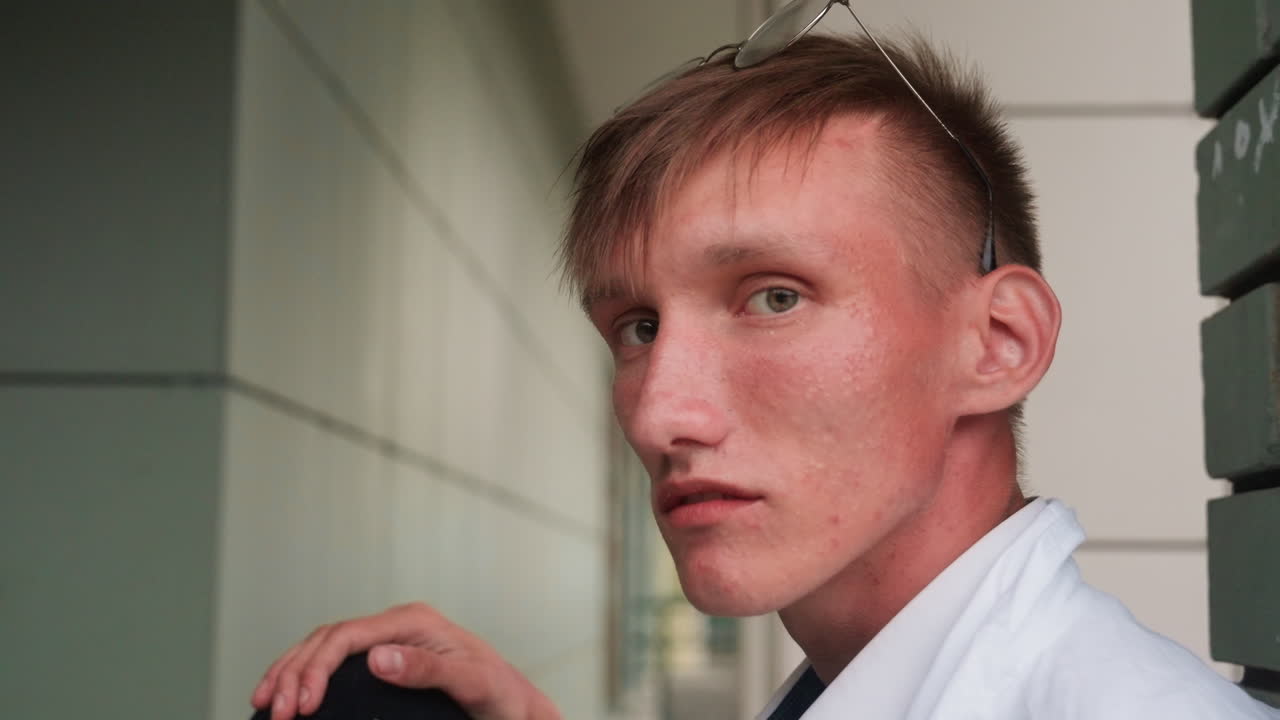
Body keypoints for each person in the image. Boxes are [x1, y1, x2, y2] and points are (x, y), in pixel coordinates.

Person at [250, 3, 1279, 719]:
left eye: (774, 297)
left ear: (998, 344)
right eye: (636, 327)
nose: (659, 415)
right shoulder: (862, 678)